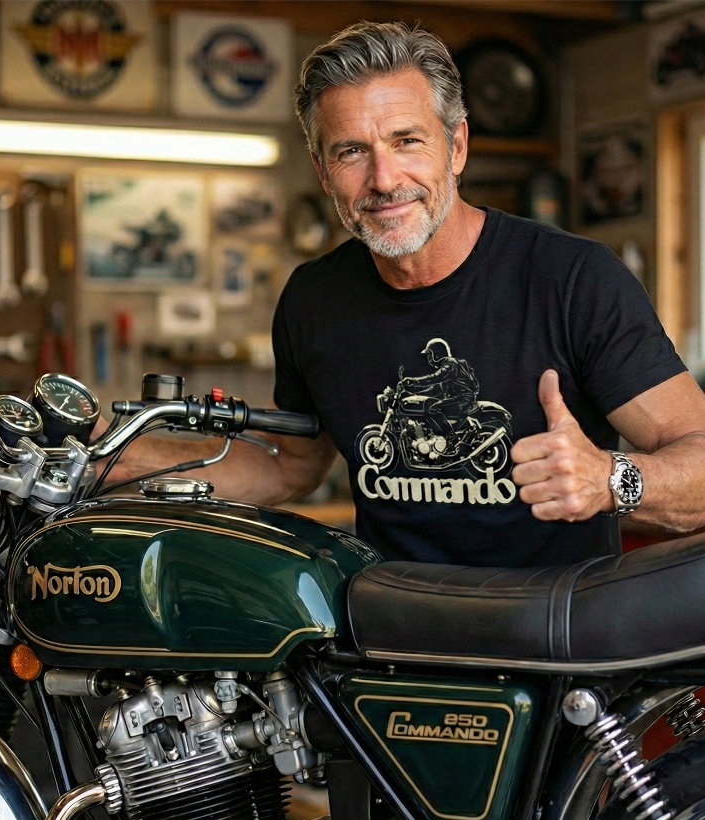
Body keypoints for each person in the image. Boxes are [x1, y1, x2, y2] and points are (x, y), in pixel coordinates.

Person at [104, 20, 705, 568]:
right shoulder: (315, 299)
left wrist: (610, 478)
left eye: (406, 141)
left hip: (551, 645)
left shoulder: (573, 279)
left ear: (458, 147)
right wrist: (115, 458)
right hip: (389, 643)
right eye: (352, 152)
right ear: (322, 171)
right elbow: (288, 467)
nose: (384, 180)